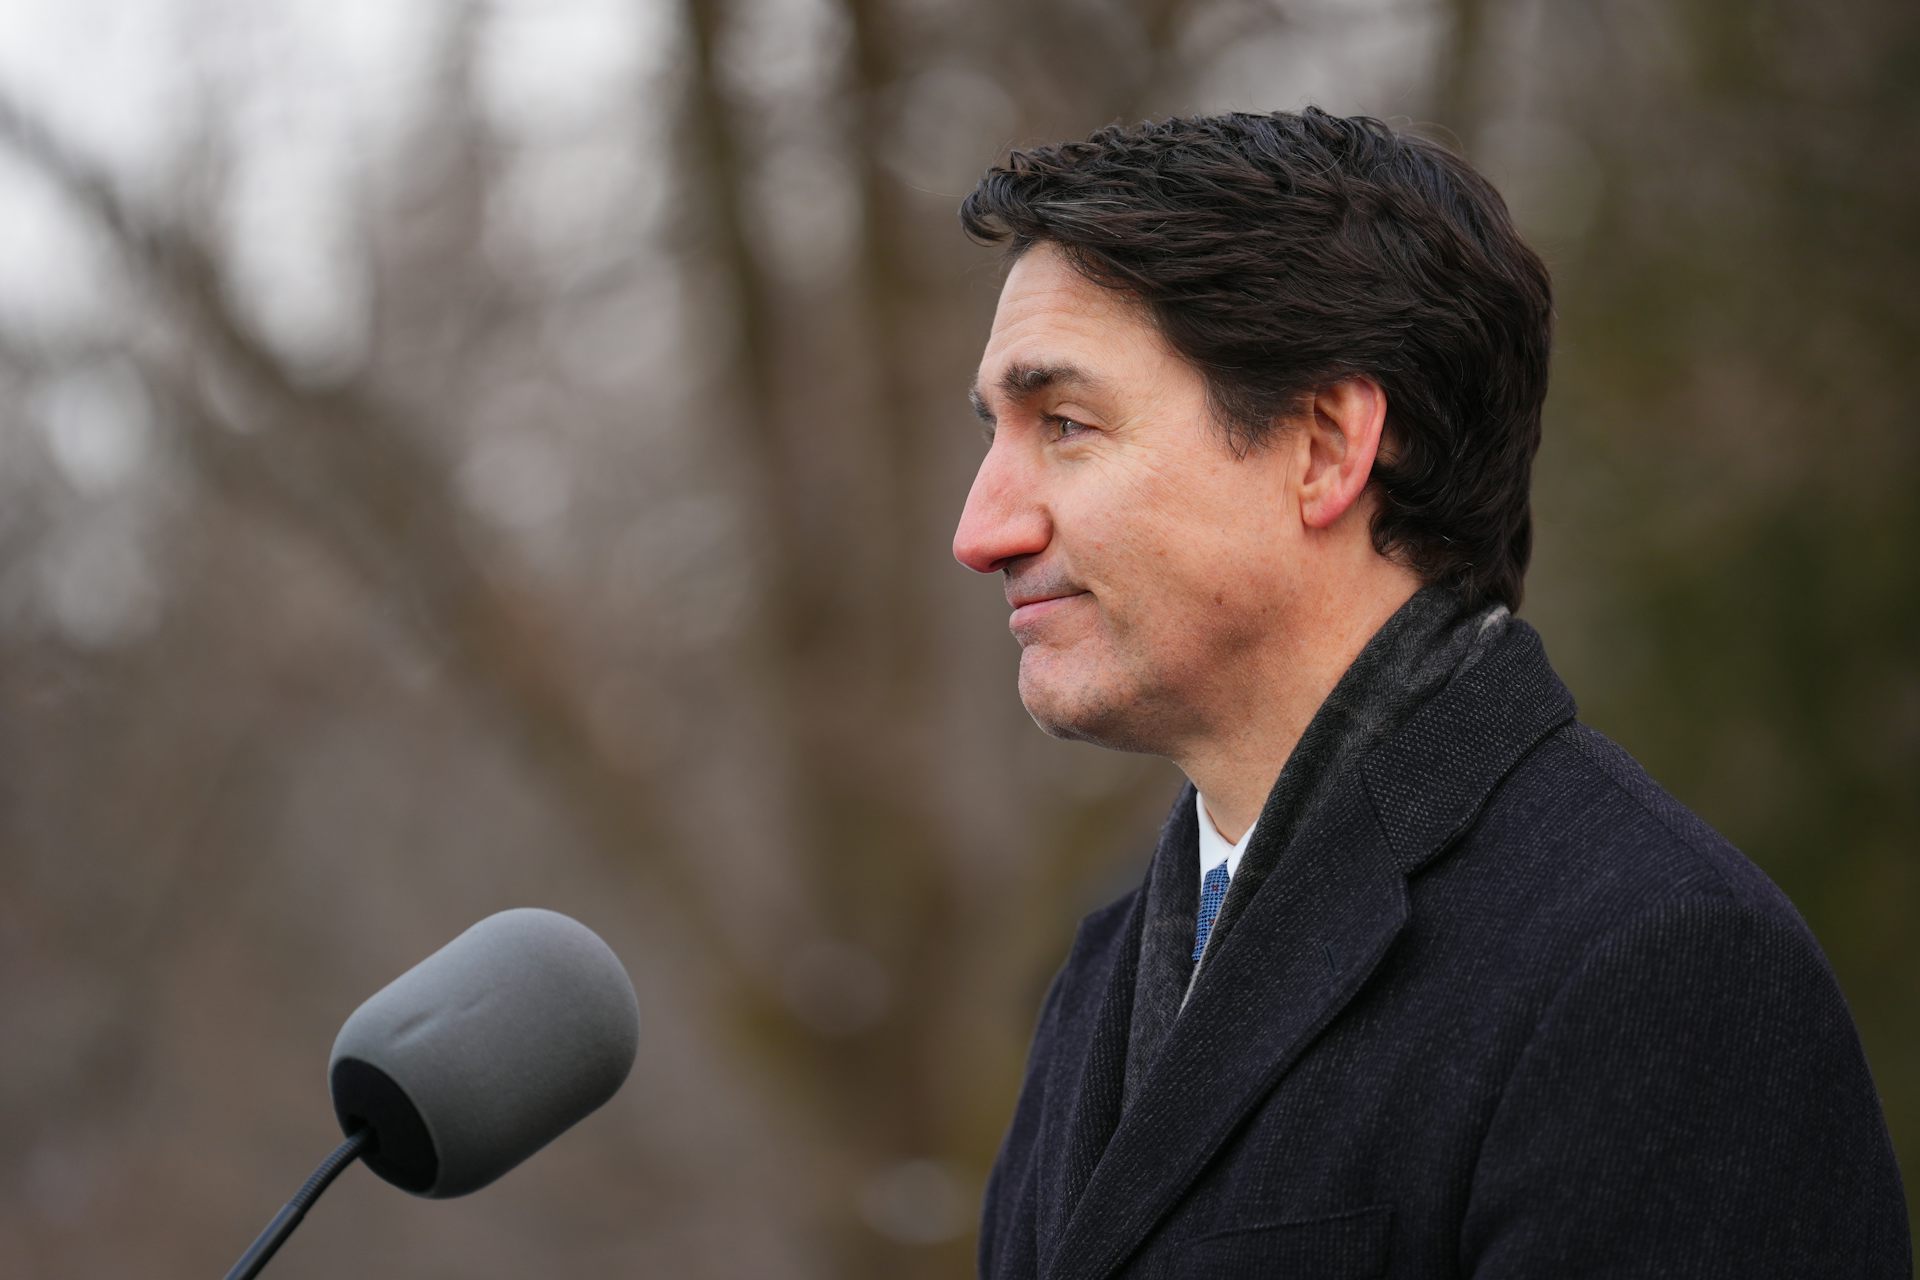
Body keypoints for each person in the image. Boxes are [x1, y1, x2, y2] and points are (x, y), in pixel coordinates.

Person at [952, 109, 1909, 1279]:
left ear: (1326, 446)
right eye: (997, 433)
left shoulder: (1654, 964)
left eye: (1065, 423)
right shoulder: (1100, 976)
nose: (981, 528)